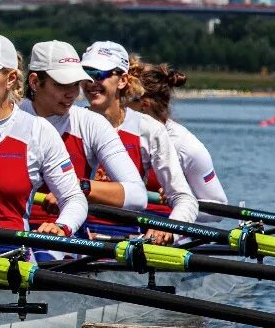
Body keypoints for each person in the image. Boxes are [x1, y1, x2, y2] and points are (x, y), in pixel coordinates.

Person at [0, 33, 87, 249]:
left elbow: (74, 199)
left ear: (11, 78)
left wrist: (61, 226)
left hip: (13, 253)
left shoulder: (37, 131)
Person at [19, 40, 159, 241]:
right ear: (34, 82)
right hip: (9, 233)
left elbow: (137, 195)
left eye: (75, 84)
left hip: (64, 238)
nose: (72, 94)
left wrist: (79, 187)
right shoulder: (8, 118)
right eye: (61, 84)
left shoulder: (90, 124)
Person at [80, 42, 199, 235]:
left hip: (126, 241)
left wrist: (169, 231)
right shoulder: (69, 123)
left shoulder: (148, 129)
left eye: (100, 74)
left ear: (122, 80)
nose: (92, 82)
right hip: (79, 235)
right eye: (87, 73)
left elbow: (184, 198)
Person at [126, 60, 228, 222]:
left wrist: (177, 204)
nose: (119, 106)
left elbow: (219, 209)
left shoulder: (186, 146)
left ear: (144, 104)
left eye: (125, 100)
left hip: (169, 238)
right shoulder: (118, 135)